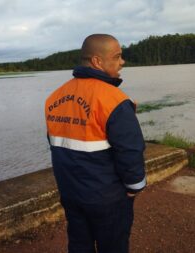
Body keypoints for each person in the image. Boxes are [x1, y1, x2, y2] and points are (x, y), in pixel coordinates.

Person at [44, 34, 146, 253]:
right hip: (107, 197)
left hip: (71, 193)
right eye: (118, 57)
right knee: (114, 246)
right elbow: (130, 150)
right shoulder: (114, 100)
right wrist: (134, 186)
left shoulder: (54, 98)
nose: (122, 62)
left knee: (79, 244)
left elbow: (57, 144)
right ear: (97, 61)